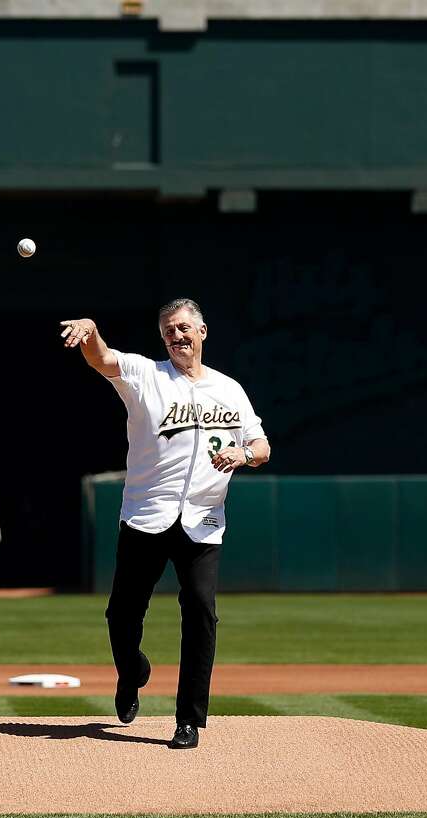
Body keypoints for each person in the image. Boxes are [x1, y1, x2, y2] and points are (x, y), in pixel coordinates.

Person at [60, 298, 270, 750]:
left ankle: (188, 720)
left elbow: (262, 444)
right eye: (169, 330)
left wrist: (244, 454)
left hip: (203, 520)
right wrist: (92, 331)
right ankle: (132, 672)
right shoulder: (145, 376)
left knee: (200, 610)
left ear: (203, 331)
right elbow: (102, 357)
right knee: (122, 614)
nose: (176, 336)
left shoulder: (229, 390)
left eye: (183, 328)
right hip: (146, 515)